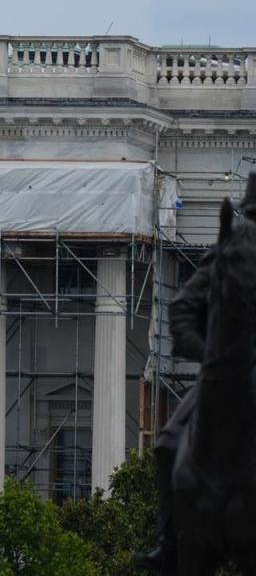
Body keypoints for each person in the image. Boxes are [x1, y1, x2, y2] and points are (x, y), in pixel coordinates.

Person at [134, 171, 256, 575]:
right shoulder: (229, 251)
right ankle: (168, 541)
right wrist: (209, 354)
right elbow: (183, 307)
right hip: (223, 374)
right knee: (168, 444)